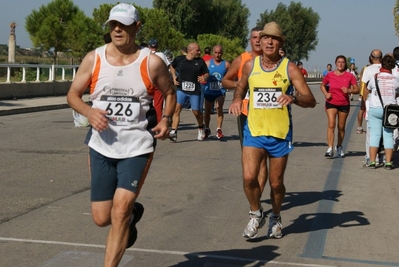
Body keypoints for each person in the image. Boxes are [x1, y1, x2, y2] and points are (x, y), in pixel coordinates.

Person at [66, 3, 176, 266]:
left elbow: (170, 93)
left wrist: (166, 119)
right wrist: (89, 112)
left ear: (136, 27)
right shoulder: (95, 58)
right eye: (113, 24)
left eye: (124, 24)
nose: (117, 29)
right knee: (101, 217)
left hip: (137, 147)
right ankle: (132, 217)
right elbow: (72, 95)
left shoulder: (152, 62)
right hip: (101, 146)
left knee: (119, 209)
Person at [229, 22, 316, 239]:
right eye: (265, 38)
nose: (268, 42)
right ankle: (256, 213)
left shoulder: (290, 68)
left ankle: (275, 217)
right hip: (254, 130)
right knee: (249, 177)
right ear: (260, 41)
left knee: (276, 183)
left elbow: (311, 100)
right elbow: (240, 86)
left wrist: (294, 97)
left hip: (279, 133)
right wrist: (238, 99)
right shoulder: (251, 65)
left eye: (274, 39)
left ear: (280, 43)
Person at [363, 54, 399, 169]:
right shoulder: (395, 79)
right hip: (389, 111)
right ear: (392, 67)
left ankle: (373, 161)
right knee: (388, 135)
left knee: (375, 135)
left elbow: (367, 90)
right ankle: (388, 162)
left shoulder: (375, 77)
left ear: (381, 65)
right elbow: (397, 93)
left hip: (375, 109)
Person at [320, 55, 359, 158]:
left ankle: (339, 146)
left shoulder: (349, 76)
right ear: (335, 63)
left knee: (341, 127)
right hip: (331, 102)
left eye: (342, 62)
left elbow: (357, 89)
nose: (340, 64)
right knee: (331, 124)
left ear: (345, 64)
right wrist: (326, 94)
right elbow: (322, 85)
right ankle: (330, 148)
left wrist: (349, 90)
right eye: (338, 62)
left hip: (344, 104)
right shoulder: (330, 75)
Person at [169, 42, 209, 142]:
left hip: (194, 91)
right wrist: (174, 77)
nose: (200, 52)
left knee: (196, 112)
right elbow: (172, 66)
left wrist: (204, 77)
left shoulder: (200, 61)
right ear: (191, 51)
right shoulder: (179, 60)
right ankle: (174, 131)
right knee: (177, 109)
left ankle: (201, 127)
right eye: (198, 50)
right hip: (181, 90)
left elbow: (207, 73)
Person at [203, 45, 230, 139]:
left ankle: (219, 129)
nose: (218, 55)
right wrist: (204, 77)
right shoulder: (207, 63)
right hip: (209, 90)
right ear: (212, 53)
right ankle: (206, 128)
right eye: (216, 52)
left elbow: (231, 75)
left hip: (220, 91)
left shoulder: (226, 64)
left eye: (219, 53)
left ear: (222, 53)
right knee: (207, 111)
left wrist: (228, 82)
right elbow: (202, 74)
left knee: (219, 108)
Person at [361, 49, 383, 165]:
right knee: (384, 132)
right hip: (386, 104)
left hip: (372, 103)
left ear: (370, 57)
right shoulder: (387, 68)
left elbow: (365, 88)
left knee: (371, 132)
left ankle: (370, 157)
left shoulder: (368, 70)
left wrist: (364, 102)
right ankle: (382, 156)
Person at [148, 38, 171, 123]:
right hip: (158, 82)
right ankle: (157, 122)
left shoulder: (146, 54)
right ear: (157, 46)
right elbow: (168, 66)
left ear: (149, 46)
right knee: (158, 104)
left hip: (148, 80)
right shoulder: (161, 55)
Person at [200, 46, 213, 113]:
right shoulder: (212, 59)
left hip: (202, 79)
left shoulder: (201, 58)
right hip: (210, 79)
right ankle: (211, 109)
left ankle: (200, 109)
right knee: (211, 94)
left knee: (201, 95)